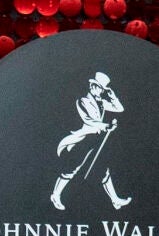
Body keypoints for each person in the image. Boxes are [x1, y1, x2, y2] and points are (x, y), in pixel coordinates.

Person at [51, 71, 130, 211]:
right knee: (72, 168)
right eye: (95, 86)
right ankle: (55, 195)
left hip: (97, 140)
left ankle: (115, 200)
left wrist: (112, 95)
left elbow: (120, 108)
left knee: (104, 170)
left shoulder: (102, 102)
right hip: (84, 139)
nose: (97, 89)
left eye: (100, 88)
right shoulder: (83, 100)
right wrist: (106, 126)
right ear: (91, 86)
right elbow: (88, 120)